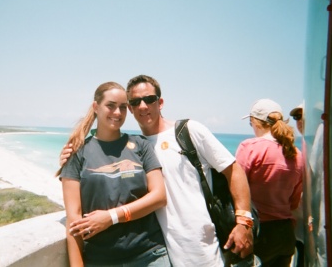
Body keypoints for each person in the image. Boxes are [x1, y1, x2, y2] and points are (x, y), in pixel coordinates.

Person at [61, 75, 255, 267]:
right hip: (163, 248)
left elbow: (233, 169)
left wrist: (244, 221)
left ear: (160, 102)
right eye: (135, 102)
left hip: (199, 246)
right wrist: (69, 159)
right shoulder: (136, 145)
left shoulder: (185, 132)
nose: (143, 106)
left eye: (149, 99)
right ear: (131, 108)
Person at [56, 81, 170, 267]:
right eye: (111, 105)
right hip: (101, 259)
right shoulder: (77, 152)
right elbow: (74, 219)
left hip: (150, 254)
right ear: (96, 107)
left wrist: (112, 217)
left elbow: (159, 196)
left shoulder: (141, 145)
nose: (117, 113)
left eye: (123, 107)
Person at [236, 99, 304, 267]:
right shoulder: (297, 154)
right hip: (285, 234)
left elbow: (236, 190)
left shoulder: (249, 147)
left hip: (258, 233)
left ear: (255, 122)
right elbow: (294, 202)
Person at [289, 104, 305, 267]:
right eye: (296, 117)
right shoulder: (305, 145)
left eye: (302, 116)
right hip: (302, 219)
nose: (299, 121)